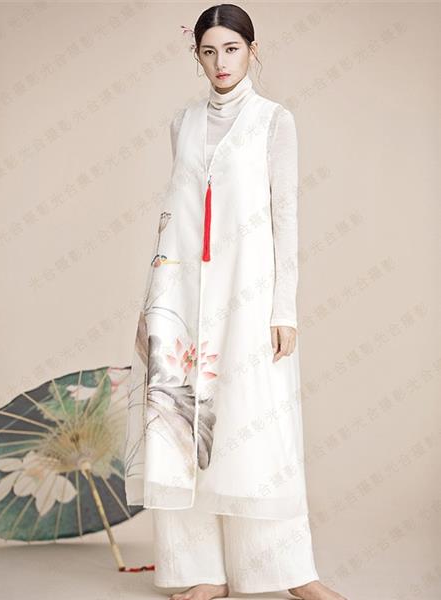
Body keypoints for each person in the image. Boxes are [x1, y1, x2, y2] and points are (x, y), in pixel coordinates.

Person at [124, 4, 348, 600]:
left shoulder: (275, 122)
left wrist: (284, 309)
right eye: (209, 51)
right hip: (181, 296)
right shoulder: (182, 123)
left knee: (252, 426)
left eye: (231, 49)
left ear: (252, 49)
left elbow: (285, 217)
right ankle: (200, 572)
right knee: (181, 426)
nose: (220, 63)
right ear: (196, 55)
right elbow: (172, 217)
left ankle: (286, 570)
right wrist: (150, 306)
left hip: (247, 294)